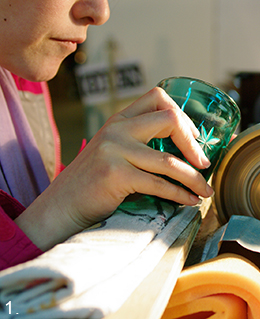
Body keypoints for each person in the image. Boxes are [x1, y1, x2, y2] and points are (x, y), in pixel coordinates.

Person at [0, 0, 214, 271]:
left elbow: (32, 190)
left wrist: (102, 177)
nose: (100, 13)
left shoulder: (22, 75)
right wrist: (58, 212)